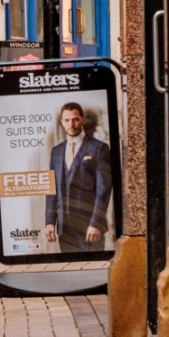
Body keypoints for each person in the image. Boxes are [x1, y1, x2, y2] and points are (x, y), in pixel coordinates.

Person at [44, 102, 114, 250]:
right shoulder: (56, 151)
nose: (72, 124)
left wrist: (96, 223)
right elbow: (51, 190)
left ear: (82, 119)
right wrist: (50, 222)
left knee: (93, 266)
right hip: (65, 228)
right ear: (62, 123)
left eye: (75, 119)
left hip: (89, 226)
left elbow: (104, 190)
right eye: (67, 120)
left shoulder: (99, 148)